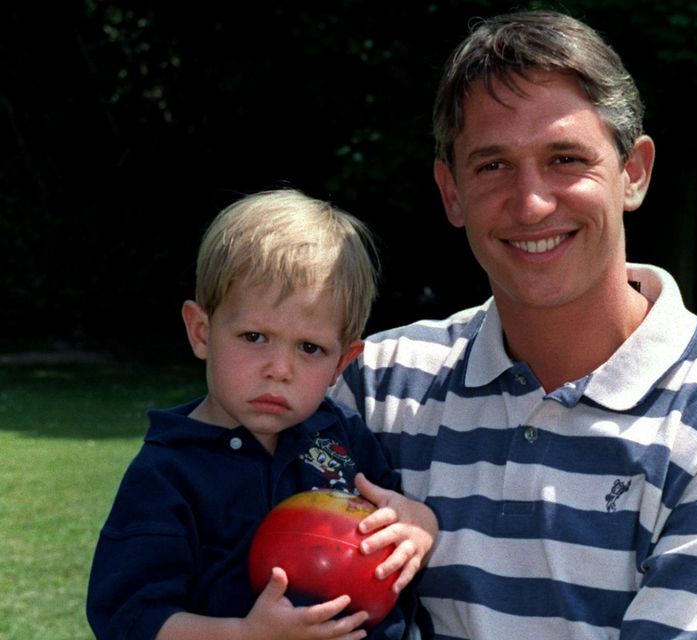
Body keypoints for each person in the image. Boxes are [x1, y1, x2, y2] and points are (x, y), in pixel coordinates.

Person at [330, 9, 697, 640]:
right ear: (450, 191)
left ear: (634, 172)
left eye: (565, 158)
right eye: (492, 165)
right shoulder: (375, 387)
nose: (532, 202)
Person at [87, 189, 437, 640]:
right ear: (201, 332)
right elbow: (129, 618)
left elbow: (395, 515)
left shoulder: (342, 436)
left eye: (310, 348)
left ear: (342, 363)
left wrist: (420, 525)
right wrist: (245, 634)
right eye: (254, 337)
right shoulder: (168, 471)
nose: (280, 369)